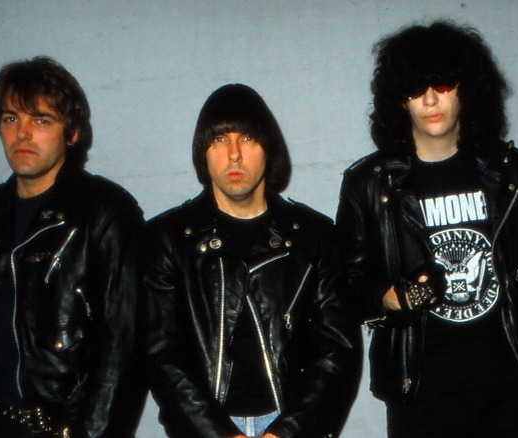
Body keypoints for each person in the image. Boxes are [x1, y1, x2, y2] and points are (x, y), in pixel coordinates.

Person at [335, 21, 518, 437]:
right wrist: (386, 296)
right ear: (397, 100)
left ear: (466, 88)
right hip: (420, 394)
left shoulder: (509, 172)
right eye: (414, 88)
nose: (429, 99)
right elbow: (341, 287)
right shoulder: (370, 183)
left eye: (442, 84)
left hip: (510, 389)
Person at [143, 83, 361, 438]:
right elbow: (162, 356)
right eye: (218, 140)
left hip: (291, 423)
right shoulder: (167, 239)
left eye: (246, 138)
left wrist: (285, 433)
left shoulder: (315, 236)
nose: (233, 155)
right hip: (204, 428)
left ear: (268, 148)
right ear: (202, 153)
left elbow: (337, 351)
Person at [0, 56, 145, 437]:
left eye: (41, 120)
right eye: (10, 119)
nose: (22, 134)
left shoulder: (105, 211)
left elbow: (122, 347)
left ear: (71, 133)